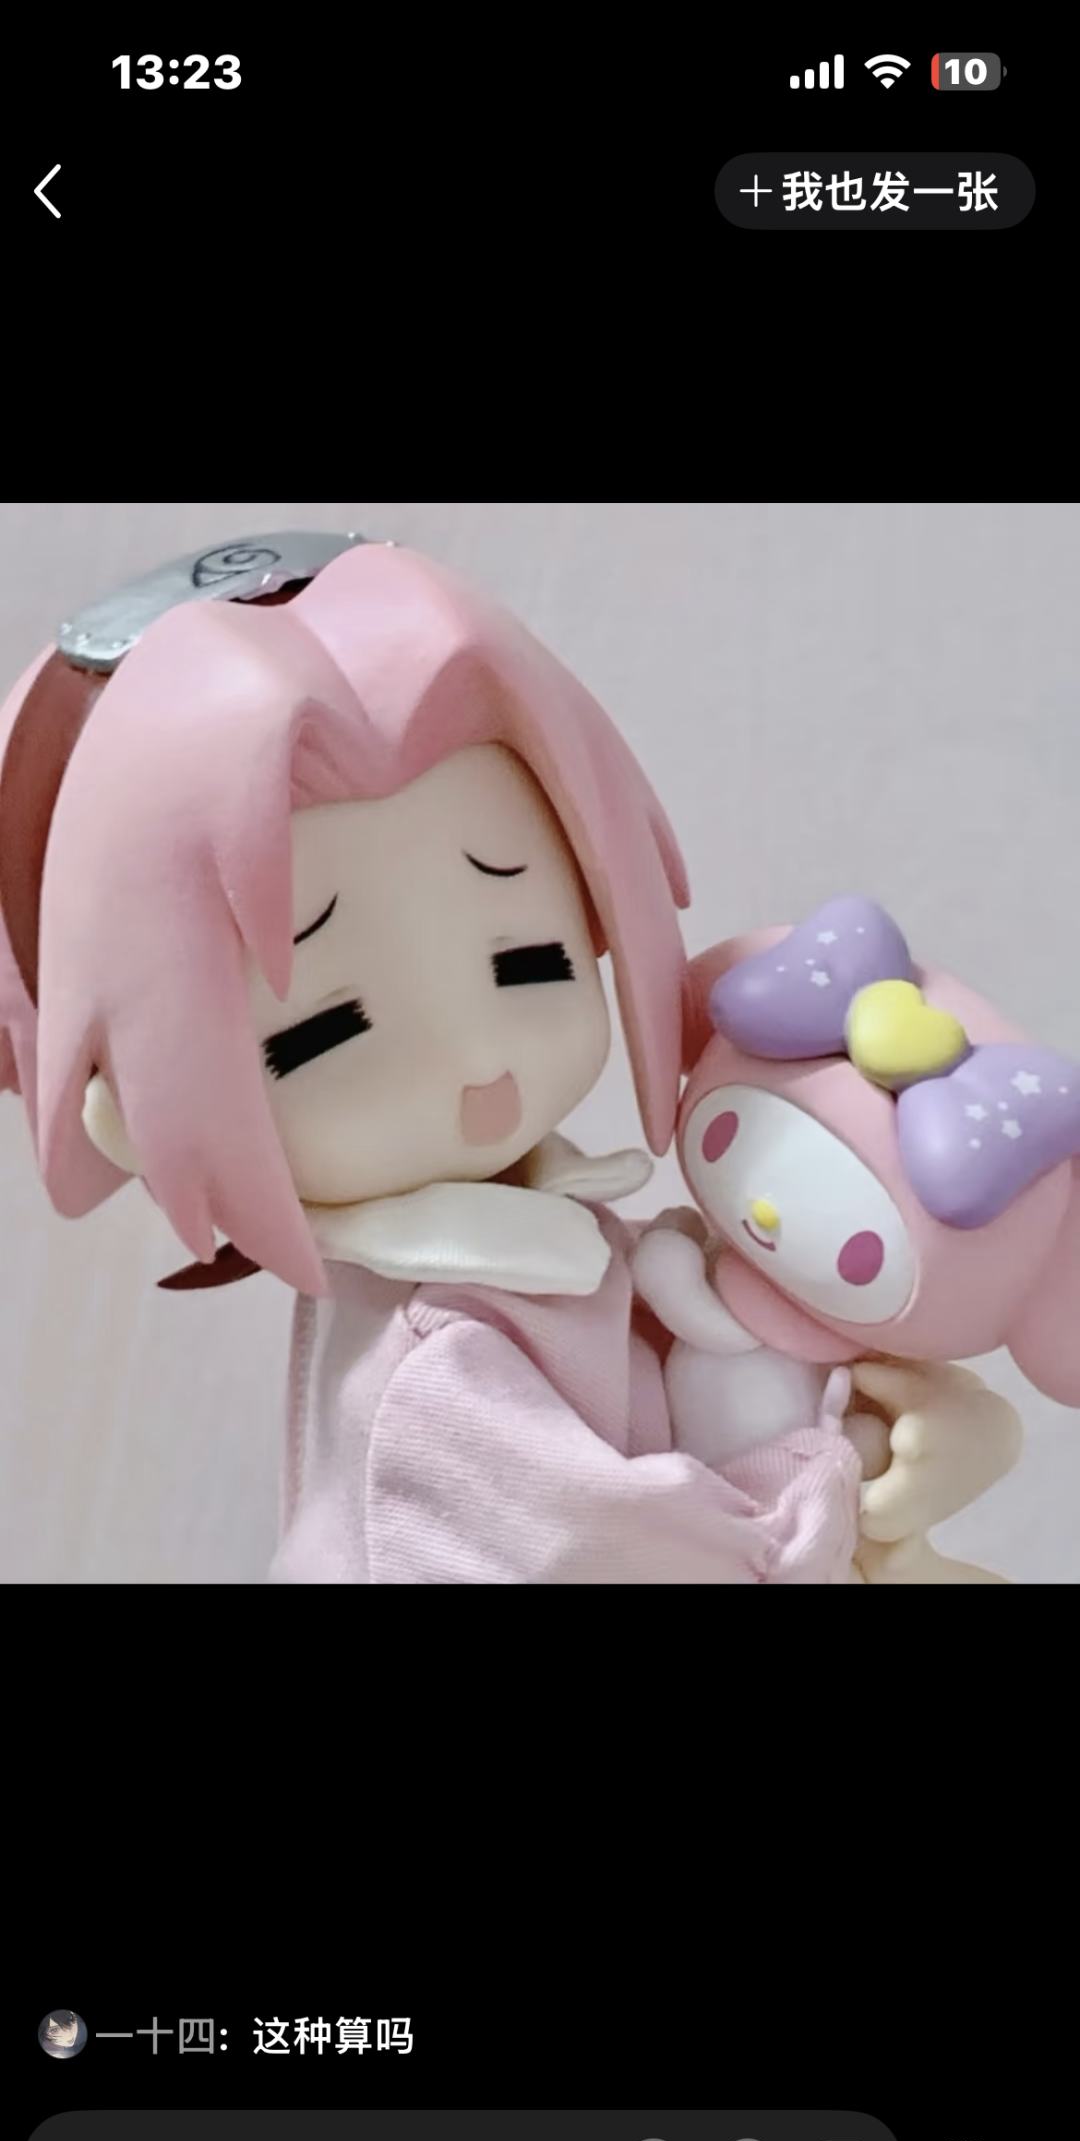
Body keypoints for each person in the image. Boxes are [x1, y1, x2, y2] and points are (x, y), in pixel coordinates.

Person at [0, 536, 1018, 1581]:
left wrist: (900, 1410)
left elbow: (681, 1362)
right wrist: (840, 1483)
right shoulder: (439, 1371)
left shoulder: (535, 1248)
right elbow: (642, 1546)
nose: (473, 1055)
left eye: (528, 962)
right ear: (135, 1109)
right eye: (326, 1032)